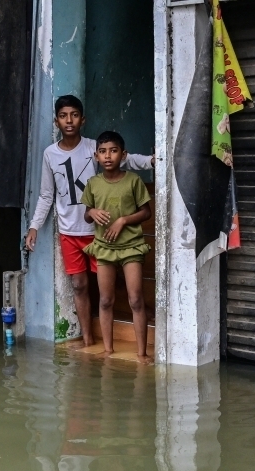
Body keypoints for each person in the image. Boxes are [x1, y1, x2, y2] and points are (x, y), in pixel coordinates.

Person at [24, 95, 152, 347]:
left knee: (112, 286)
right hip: (69, 231)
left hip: (99, 233)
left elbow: (128, 159)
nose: (68, 120)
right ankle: (87, 338)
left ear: (83, 120)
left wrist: (152, 161)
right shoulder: (49, 154)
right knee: (79, 284)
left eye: (73, 115)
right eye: (63, 116)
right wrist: (34, 226)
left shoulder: (96, 149)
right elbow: (46, 195)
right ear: (56, 121)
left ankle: (122, 335)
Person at [82, 131, 152, 363]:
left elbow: (146, 212)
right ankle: (108, 350)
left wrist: (123, 220)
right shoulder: (93, 184)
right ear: (96, 156)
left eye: (113, 151)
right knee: (105, 300)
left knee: (135, 299)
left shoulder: (133, 180)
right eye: (103, 151)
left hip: (131, 247)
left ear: (123, 155)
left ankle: (142, 353)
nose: (108, 156)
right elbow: (87, 216)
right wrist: (91, 211)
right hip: (104, 247)